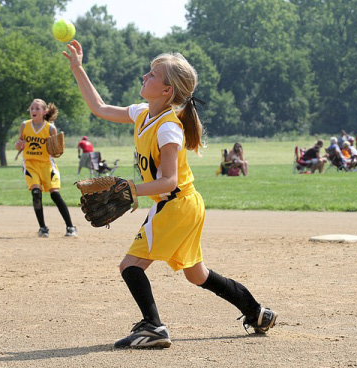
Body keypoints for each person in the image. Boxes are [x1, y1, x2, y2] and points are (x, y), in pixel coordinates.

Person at [63, 40, 277, 349]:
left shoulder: (168, 128)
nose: (145, 77)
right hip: (184, 206)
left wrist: (131, 189)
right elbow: (100, 108)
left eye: (152, 74)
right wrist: (78, 69)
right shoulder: (142, 114)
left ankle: (153, 327)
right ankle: (257, 313)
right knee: (197, 275)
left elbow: (167, 181)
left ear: (166, 91)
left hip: (176, 205)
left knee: (130, 266)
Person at [16, 99, 77, 238]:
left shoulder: (50, 128)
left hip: (47, 165)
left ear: (44, 112)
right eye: (32, 108)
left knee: (55, 194)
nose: (33, 111)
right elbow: (18, 144)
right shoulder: (25, 125)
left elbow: (56, 151)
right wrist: (19, 144)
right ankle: (43, 228)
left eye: (37, 108)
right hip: (30, 164)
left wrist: (58, 149)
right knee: (36, 193)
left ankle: (70, 227)